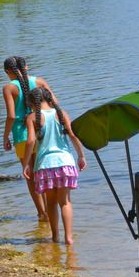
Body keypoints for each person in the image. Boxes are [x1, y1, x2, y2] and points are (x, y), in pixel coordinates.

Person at [22, 87, 86, 245]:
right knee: (65, 201)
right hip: (65, 162)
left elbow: (30, 141)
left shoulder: (32, 118)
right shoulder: (61, 114)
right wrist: (81, 155)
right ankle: (69, 238)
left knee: (50, 202)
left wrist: (26, 164)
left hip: (45, 165)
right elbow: (72, 135)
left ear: (31, 103)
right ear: (49, 99)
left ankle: (55, 236)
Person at [2, 56, 56, 221]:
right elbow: (55, 104)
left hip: (22, 135)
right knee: (43, 173)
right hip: (42, 132)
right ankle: (51, 211)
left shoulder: (9, 88)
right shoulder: (39, 82)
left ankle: (42, 214)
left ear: (7, 71)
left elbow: (11, 116)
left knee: (30, 177)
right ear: (26, 68)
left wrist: (5, 137)